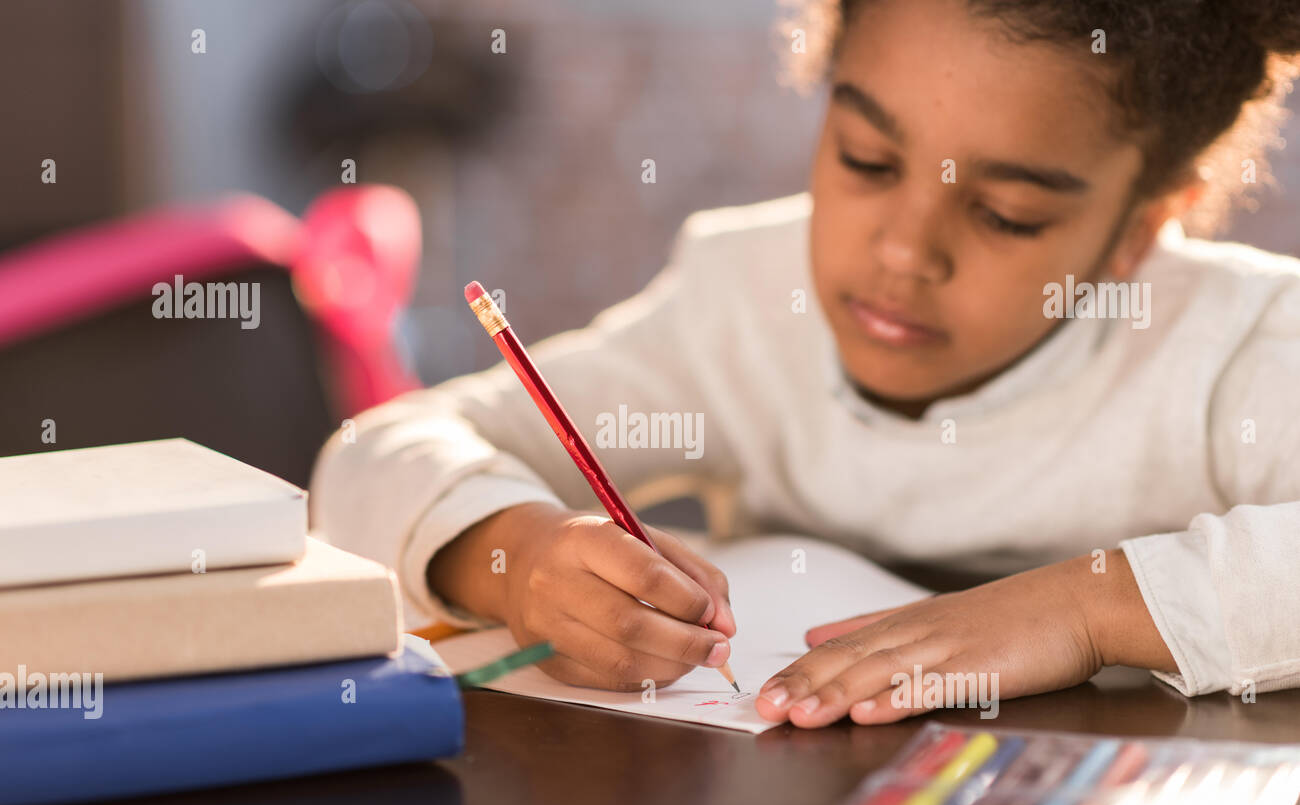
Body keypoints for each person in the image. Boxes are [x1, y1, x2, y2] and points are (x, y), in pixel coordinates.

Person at [311, 0, 1300, 727]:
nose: (903, 254)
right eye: (867, 159)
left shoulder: (1233, 346)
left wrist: (1090, 605)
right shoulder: (745, 306)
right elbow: (376, 450)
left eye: (1007, 215)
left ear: (1145, 222)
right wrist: (512, 552)